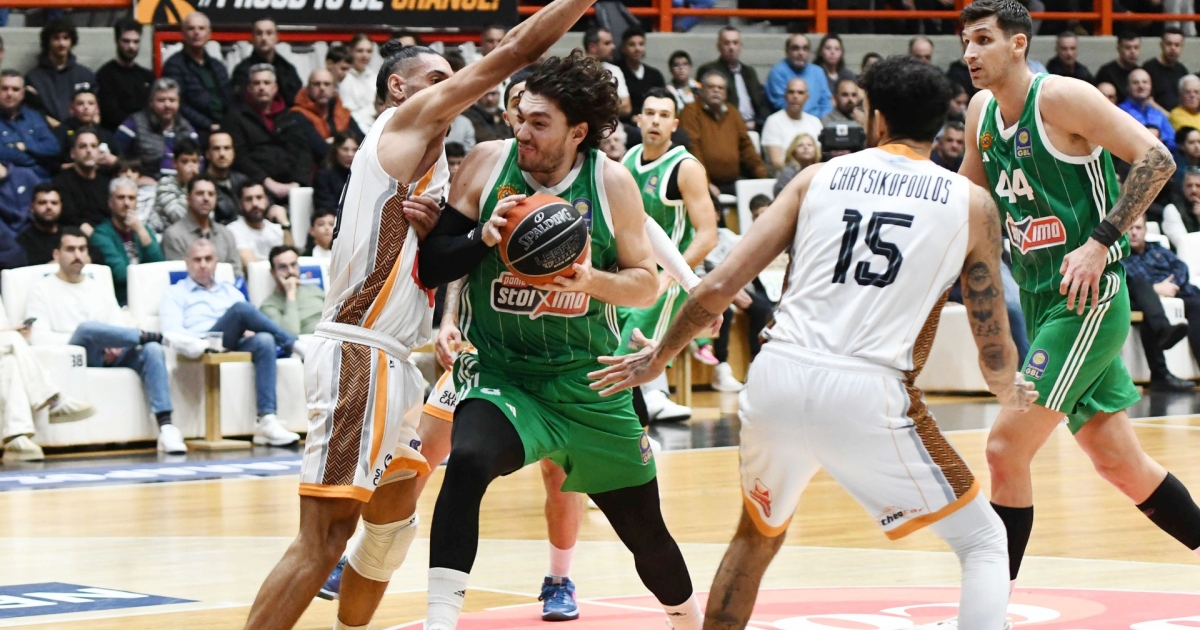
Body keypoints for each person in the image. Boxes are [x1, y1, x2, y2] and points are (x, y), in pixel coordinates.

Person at [590, 56, 1026, 630]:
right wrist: (1010, 392)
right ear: (941, 124)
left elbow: (719, 286)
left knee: (756, 535)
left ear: (876, 119)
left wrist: (658, 358)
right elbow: (990, 335)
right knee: (985, 541)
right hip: (869, 391)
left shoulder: (816, 178)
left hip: (777, 376)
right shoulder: (971, 203)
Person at [243, 2, 600, 628]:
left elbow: (433, 270)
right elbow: (514, 50)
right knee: (325, 536)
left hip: (396, 362)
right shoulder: (402, 125)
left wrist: (442, 238)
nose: (450, 86)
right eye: (437, 78)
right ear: (398, 89)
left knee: (391, 525)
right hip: (358, 349)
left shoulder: (428, 169)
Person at [413, 50, 703, 630]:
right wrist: (482, 236)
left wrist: (591, 281)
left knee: (646, 532)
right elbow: (435, 261)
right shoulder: (487, 163)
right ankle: (439, 620)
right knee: (466, 461)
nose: (522, 131)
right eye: (520, 117)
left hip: (588, 379)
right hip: (504, 372)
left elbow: (646, 283)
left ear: (578, 132)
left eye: (539, 123)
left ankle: (690, 621)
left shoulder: (610, 182)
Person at [960, 0, 1200, 594]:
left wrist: (1099, 242)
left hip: (1087, 299)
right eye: (965, 41)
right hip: (1040, 299)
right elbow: (969, 199)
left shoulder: (1061, 97)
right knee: (1120, 464)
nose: (970, 53)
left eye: (983, 39)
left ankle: (987, 608)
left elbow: (1157, 158)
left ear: (1018, 44)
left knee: (1004, 448)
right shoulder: (980, 111)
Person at [25, 228, 177, 449]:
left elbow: (117, 324)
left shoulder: (98, 286)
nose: (77, 255)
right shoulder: (41, 289)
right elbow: (38, 337)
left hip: (112, 353)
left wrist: (114, 342)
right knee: (87, 329)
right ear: (57, 254)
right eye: (70, 249)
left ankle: (166, 426)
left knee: (152, 349)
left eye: (82, 249)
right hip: (75, 355)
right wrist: (94, 339)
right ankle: (153, 336)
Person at [618, 87, 718, 424]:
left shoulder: (686, 167)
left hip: (669, 279)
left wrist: (668, 277)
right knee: (604, 344)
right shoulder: (629, 159)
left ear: (674, 124)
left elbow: (708, 236)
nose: (656, 121)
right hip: (630, 272)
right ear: (638, 119)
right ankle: (652, 399)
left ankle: (638, 423)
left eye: (664, 115)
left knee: (624, 355)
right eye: (650, 113)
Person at [161, 238, 299, 444]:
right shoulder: (175, 293)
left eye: (208, 259)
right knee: (240, 309)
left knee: (265, 339)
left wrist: (249, 331)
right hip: (201, 343)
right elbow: (171, 331)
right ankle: (293, 344)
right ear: (187, 263)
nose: (203, 264)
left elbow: (250, 321)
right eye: (197, 259)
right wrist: (198, 341)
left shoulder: (229, 290)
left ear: (216, 261)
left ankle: (267, 419)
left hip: (231, 341)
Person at [1123, 215, 1195, 391]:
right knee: (1144, 291)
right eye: (1130, 228)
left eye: (1138, 228)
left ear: (1145, 230)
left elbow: (1181, 267)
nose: (1134, 233)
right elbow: (1131, 280)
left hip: (1173, 291)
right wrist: (1156, 288)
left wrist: (1172, 285)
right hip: (1138, 297)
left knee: (1196, 303)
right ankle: (1161, 373)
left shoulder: (1157, 248)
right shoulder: (1121, 255)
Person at [224, 65, 315, 203]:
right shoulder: (236, 118)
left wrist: (297, 183)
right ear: (249, 88)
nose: (262, 87)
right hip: (256, 186)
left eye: (266, 83)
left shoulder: (290, 116)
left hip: (293, 186)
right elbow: (240, 157)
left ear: (275, 88)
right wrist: (267, 182)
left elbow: (304, 152)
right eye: (257, 83)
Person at [680, 71, 768, 195]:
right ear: (702, 90)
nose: (716, 90)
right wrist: (705, 182)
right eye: (711, 87)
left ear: (726, 93)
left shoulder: (733, 112)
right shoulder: (690, 112)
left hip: (734, 180)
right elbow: (693, 150)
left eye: (720, 88)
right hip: (701, 182)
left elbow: (746, 147)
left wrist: (763, 176)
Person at [90, 177, 164, 305]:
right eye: (121, 198)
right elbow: (121, 274)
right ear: (110, 202)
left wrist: (141, 231)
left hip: (148, 297)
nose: (127, 203)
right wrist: (149, 276)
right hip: (120, 300)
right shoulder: (101, 235)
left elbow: (160, 266)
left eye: (131, 198)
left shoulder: (143, 229)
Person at [115, 78, 200, 180]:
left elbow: (200, 162)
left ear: (178, 102)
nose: (167, 105)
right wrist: (139, 178)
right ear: (151, 102)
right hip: (145, 185)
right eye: (161, 100)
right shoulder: (134, 124)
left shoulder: (187, 129)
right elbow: (117, 157)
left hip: (181, 184)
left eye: (172, 100)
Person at [162, 12, 231, 136]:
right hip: (192, 130)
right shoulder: (174, 65)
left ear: (209, 33)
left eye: (201, 28)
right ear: (183, 33)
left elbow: (230, 99)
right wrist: (208, 125)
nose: (196, 32)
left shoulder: (218, 66)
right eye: (191, 28)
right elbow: (177, 104)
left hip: (224, 127)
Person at [161, 175, 244, 277]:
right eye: (200, 193)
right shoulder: (174, 235)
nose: (206, 198)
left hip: (226, 287)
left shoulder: (226, 234)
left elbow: (237, 273)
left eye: (211, 194)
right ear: (188, 198)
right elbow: (180, 277)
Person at [24, 19, 96, 127]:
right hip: (48, 132)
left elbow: (96, 112)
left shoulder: (85, 75)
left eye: (66, 38)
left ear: (72, 41)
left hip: (82, 132)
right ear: (48, 42)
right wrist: (62, 130)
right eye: (56, 38)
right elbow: (33, 114)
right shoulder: (33, 78)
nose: (62, 43)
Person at [701, 27, 772, 130]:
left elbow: (761, 103)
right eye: (727, 43)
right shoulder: (710, 71)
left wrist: (758, 123)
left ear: (740, 46)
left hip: (755, 126)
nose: (731, 47)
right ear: (718, 46)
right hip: (726, 128)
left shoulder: (749, 72)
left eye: (735, 43)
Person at [96, 19, 154, 134]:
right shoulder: (104, 75)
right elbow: (111, 115)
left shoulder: (147, 77)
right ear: (117, 41)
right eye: (126, 41)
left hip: (147, 134)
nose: (131, 46)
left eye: (136, 42)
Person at [0, 70, 60, 181]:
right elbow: (3, 153)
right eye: (4, 89)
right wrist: (35, 158)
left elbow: (53, 147)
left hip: (42, 181)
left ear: (23, 94)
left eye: (15, 89)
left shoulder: (34, 116)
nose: (9, 93)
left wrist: (25, 146)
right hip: (9, 182)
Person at [231, 19, 303, 108]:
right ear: (252, 38)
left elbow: (297, 103)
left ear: (276, 37)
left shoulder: (288, 70)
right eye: (259, 33)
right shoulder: (242, 71)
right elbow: (237, 104)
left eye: (269, 33)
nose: (264, 38)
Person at [53, 129, 113, 236]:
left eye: (93, 146)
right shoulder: (62, 182)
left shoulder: (107, 181)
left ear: (99, 152)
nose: (89, 150)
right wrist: (99, 239)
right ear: (73, 153)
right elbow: (70, 219)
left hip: (108, 235)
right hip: (78, 237)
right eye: (83, 146)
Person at [761, 78, 824, 175]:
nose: (795, 96)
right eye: (791, 92)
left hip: (813, 176)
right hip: (784, 177)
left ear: (807, 97)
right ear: (785, 96)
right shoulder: (773, 121)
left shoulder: (815, 122)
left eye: (800, 93)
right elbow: (776, 162)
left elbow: (819, 156)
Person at [259, 245, 323, 336]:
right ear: (273, 273)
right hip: (312, 340)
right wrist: (290, 293)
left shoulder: (313, 289)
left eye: (293, 265)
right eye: (283, 267)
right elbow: (290, 334)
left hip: (335, 333)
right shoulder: (269, 305)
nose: (291, 271)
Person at [763, 33, 830, 119]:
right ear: (787, 51)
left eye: (805, 49)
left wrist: (819, 121)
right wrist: (808, 120)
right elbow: (782, 104)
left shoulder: (818, 71)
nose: (801, 53)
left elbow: (826, 102)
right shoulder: (777, 72)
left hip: (818, 121)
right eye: (795, 48)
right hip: (788, 121)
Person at [228, 181, 293, 268]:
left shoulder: (278, 229)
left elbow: (293, 261)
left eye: (259, 197)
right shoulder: (233, 230)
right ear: (240, 205)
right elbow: (252, 267)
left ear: (267, 201)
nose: (255, 204)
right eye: (248, 199)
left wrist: (285, 224)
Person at [292, 69, 360, 144]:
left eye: (327, 84)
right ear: (308, 88)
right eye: (316, 84)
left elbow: (362, 140)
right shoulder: (298, 114)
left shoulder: (341, 111)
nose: (322, 88)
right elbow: (317, 146)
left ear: (334, 88)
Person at [53, 90, 117, 168]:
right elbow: (52, 165)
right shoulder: (62, 132)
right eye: (80, 103)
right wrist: (81, 165)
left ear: (97, 109)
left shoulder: (106, 134)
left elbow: (121, 160)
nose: (86, 107)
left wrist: (116, 161)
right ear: (72, 109)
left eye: (91, 103)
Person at [151, 137, 201, 234]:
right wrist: (189, 185)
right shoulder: (165, 184)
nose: (191, 167)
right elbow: (178, 217)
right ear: (174, 163)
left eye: (194, 161)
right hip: (168, 235)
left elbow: (209, 215)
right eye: (185, 161)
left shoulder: (203, 185)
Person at [1120, 69, 1177, 151]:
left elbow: (1173, 141)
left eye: (1145, 82)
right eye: (1135, 83)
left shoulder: (1157, 113)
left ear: (1150, 86)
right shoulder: (1120, 112)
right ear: (1128, 87)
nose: (1141, 86)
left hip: (1162, 155)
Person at [617, 27, 665, 123]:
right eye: (632, 45)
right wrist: (631, 118)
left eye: (641, 44)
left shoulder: (655, 75)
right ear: (623, 48)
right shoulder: (616, 71)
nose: (637, 49)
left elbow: (662, 101)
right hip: (625, 123)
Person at [582, 27, 632, 119]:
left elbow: (626, 107)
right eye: (607, 43)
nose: (613, 47)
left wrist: (592, 107)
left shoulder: (614, 70)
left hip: (611, 124)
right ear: (592, 47)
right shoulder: (576, 70)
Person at [205, 131, 248, 225]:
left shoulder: (242, 181)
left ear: (233, 152)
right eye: (216, 149)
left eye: (227, 148)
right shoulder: (201, 185)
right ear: (208, 154)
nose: (222, 154)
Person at [1143, 27, 1188, 113]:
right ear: (1161, 45)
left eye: (1177, 45)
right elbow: (1147, 100)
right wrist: (1169, 116)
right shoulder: (1149, 68)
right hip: (1154, 116)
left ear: (1182, 47)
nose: (1173, 48)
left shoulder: (1182, 70)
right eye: (1169, 44)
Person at [17, 183, 64, 265]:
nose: (49, 207)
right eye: (42, 203)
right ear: (32, 207)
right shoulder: (22, 242)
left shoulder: (70, 235)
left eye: (54, 203)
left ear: (61, 206)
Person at [339, 34, 378, 124]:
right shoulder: (345, 79)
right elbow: (348, 114)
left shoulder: (375, 77)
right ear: (350, 52)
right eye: (360, 51)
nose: (365, 55)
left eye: (369, 51)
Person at [313, 131, 356, 212]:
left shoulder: (363, 176)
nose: (350, 154)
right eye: (345, 149)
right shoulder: (323, 176)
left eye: (355, 150)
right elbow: (325, 206)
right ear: (336, 150)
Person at [1096, 32, 1142, 103]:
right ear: (1119, 49)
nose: (1133, 51)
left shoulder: (1140, 73)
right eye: (1128, 48)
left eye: (1136, 48)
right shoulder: (1106, 73)